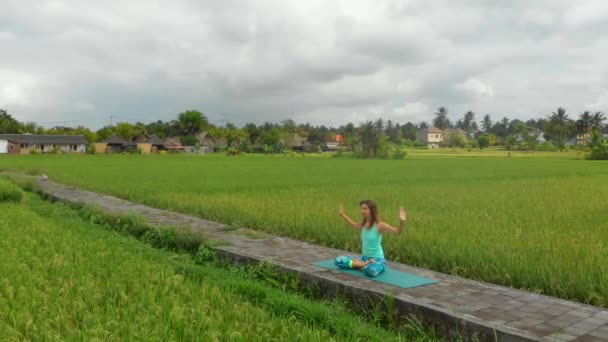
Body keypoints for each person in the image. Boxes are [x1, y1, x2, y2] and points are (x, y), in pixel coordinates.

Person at [335, 200, 406, 277]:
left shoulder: (379, 225)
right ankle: (364, 264)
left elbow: (397, 231)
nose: (362, 211)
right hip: (364, 258)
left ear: (372, 210)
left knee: (371, 271)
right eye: (361, 209)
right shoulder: (364, 224)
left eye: (365, 209)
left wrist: (402, 222)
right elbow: (355, 225)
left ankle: (361, 265)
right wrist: (343, 215)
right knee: (339, 261)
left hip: (377, 260)